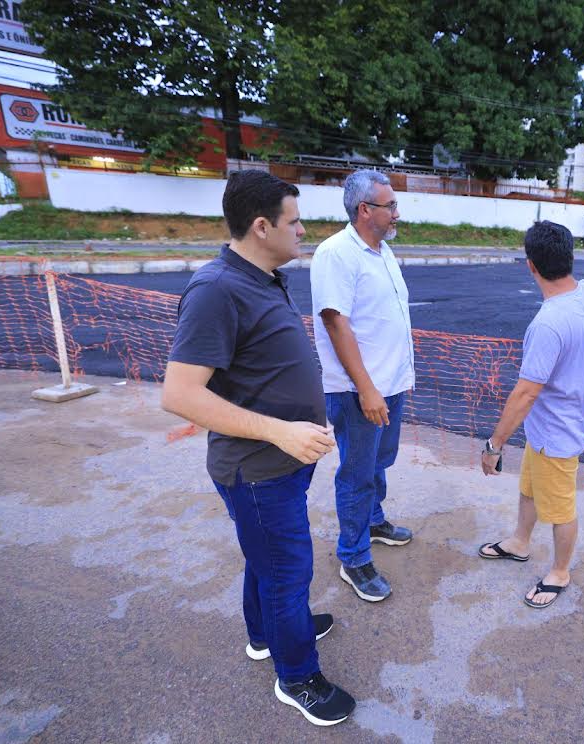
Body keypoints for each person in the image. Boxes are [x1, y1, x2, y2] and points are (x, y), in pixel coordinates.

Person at [162, 170, 355, 727]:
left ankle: (264, 633)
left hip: (283, 466)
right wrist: (280, 431)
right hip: (257, 469)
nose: (305, 232)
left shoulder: (263, 274)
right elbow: (179, 394)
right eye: (295, 222)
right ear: (262, 225)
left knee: (268, 561)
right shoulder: (216, 289)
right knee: (286, 572)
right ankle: (297, 677)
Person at [477, 221, 584, 608]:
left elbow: (526, 392)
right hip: (545, 430)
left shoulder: (548, 324)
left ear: (531, 266)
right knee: (530, 489)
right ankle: (519, 541)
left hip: (558, 433)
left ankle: (560, 572)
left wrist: (494, 444)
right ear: (570, 258)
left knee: (561, 508)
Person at [311, 169, 415, 603]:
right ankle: (353, 557)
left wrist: (394, 381)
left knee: (378, 462)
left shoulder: (383, 251)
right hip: (359, 390)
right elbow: (336, 322)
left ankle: (372, 521)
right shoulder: (337, 253)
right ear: (364, 210)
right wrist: (367, 389)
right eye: (389, 205)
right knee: (356, 472)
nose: (396, 212)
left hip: (389, 383)